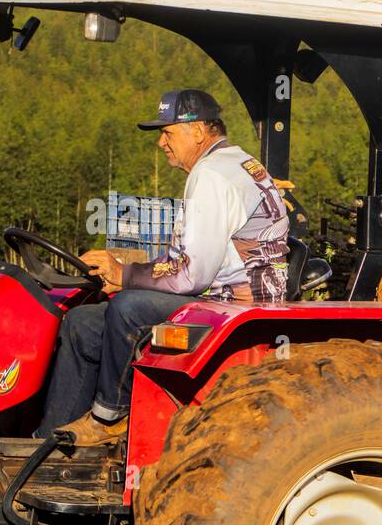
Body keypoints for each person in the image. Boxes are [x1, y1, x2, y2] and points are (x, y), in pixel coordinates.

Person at [38, 88, 290, 445]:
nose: (161, 142)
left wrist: (126, 276)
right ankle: (49, 442)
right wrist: (124, 279)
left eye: (168, 131)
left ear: (199, 132)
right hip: (223, 301)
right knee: (84, 323)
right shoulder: (231, 163)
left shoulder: (212, 176)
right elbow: (179, 259)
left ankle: (111, 417)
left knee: (127, 310)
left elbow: (191, 276)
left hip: (236, 310)